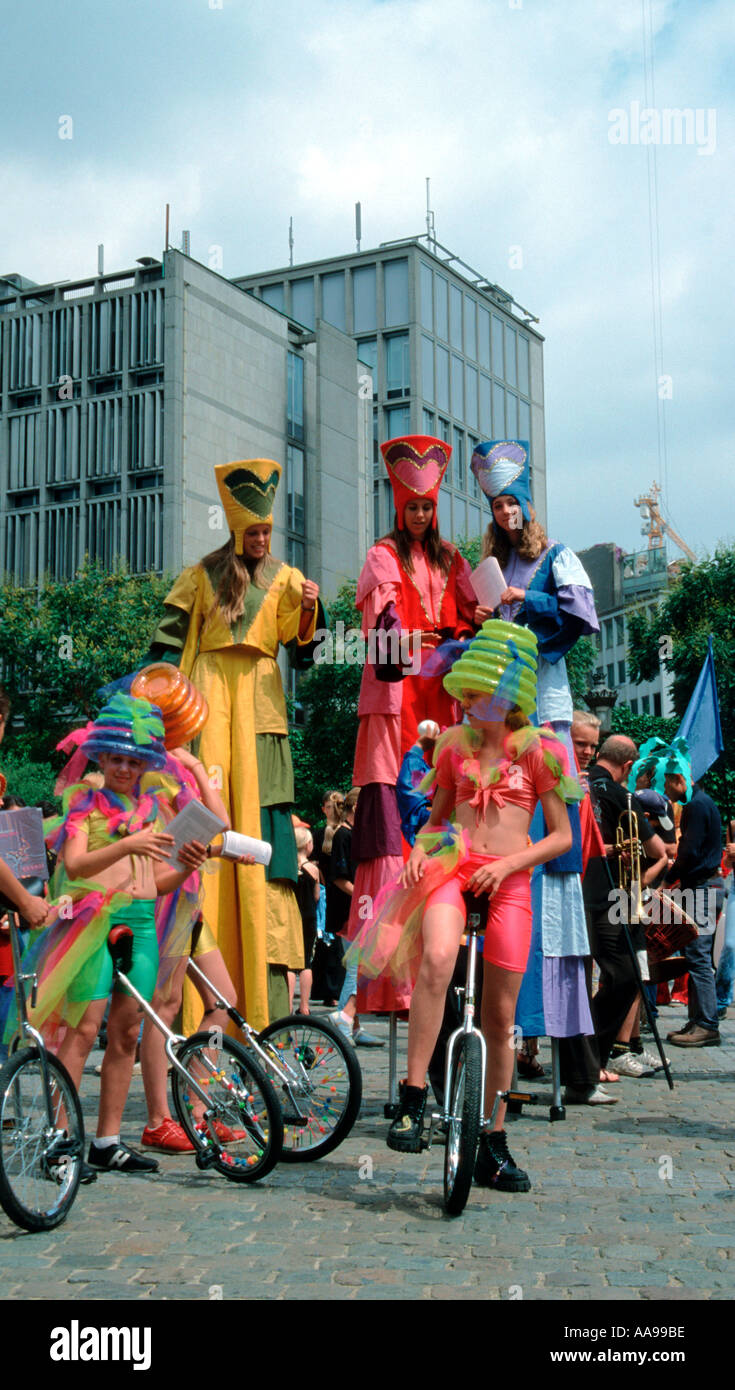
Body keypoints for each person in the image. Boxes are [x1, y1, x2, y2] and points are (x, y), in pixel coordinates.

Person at [351, 620, 582, 1190]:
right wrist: (417, 852)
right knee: (434, 962)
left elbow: (560, 837)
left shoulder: (539, 752)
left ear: (510, 697)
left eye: (483, 692)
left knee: (501, 1019)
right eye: (470, 691)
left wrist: (509, 865)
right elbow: (435, 821)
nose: (471, 701)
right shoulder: (453, 748)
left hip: (510, 882)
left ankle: (493, 1138)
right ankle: (410, 1098)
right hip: (452, 870)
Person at [148, 458, 323, 1030]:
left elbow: (310, 652)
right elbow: (164, 650)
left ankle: (253, 1005)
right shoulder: (199, 575)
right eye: (254, 531)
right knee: (204, 819)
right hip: (207, 706)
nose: (263, 539)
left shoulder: (291, 578)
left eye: (267, 531)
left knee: (254, 834)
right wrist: (155, 718)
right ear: (235, 529)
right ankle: (193, 1001)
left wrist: (315, 609)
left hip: (261, 711)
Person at [25, 694, 207, 1174]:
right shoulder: (84, 800)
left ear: (146, 762)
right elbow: (76, 863)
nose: (124, 768)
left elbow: (152, 882)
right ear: (100, 756)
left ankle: (106, 1141)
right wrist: (127, 841)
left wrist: (182, 865)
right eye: (116, 759)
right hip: (89, 921)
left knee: (127, 1032)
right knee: (83, 1030)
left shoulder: (148, 807)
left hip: (142, 921)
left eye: (134, 760)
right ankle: (58, 1142)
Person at [470, 440, 600, 1054]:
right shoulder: (490, 566)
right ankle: (507, 1031)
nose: (504, 513)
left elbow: (581, 613)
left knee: (555, 849)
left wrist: (530, 601)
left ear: (525, 505)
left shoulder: (555, 555)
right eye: (496, 506)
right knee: (502, 835)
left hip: (546, 711)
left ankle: (564, 1038)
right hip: (501, 716)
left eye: (511, 503)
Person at [347, 433, 479, 1015]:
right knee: (396, 814)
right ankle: (393, 978)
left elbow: (475, 616)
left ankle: (445, 962)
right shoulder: (382, 554)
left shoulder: (456, 560)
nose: (421, 515)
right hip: (399, 696)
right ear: (400, 506)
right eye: (412, 507)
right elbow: (383, 617)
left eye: (428, 506)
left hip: (444, 695)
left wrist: (462, 640)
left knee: (443, 802)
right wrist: (403, 632)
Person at [581, 736, 668, 1078]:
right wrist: (640, 884)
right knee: (627, 976)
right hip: (614, 898)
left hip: (577, 891)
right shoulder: (623, 795)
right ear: (629, 766)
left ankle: (593, 1057)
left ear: (598, 753)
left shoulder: (579, 787)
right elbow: (658, 851)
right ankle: (596, 1054)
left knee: (580, 979)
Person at [663, 749, 724, 1047]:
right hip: (701, 887)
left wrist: (667, 880)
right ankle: (698, 1020)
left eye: (667, 783)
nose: (665, 789)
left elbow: (688, 852)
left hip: (702, 888)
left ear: (678, 779)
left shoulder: (697, 806)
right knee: (694, 956)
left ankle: (707, 1024)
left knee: (698, 958)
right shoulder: (699, 803)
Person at [327, 790, 383, 1046]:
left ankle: (354, 1025)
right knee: (356, 969)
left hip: (358, 909)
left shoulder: (353, 835)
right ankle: (344, 1022)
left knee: (357, 967)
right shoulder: (343, 835)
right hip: (350, 913)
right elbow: (339, 878)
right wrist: (365, 898)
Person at [291, 826, 319, 1015]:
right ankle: (305, 1006)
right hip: (309, 916)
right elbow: (317, 896)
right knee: (306, 962)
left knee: (290, 963)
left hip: (292, 916)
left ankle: (287, 1006)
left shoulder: (290, 867)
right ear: (308, 845)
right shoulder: (313, 869)